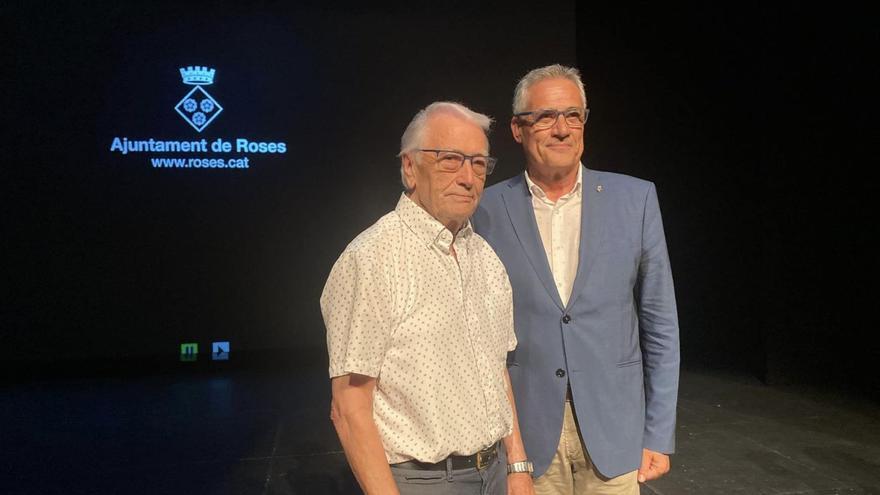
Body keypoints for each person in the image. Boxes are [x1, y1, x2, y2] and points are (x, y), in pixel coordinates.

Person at [472, 64, 680, 494]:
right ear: (517, 129)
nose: (562, 129)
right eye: (546, 116)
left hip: (615, 433)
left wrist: (659, 433)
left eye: (573, 115)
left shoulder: (635, 199)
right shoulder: (486, 209)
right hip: (525, 438)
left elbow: (661, 326)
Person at [321, 101, 536, 495]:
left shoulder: (485, 258)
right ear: (409, 167)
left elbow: (496, 371)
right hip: (423, 481)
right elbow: (349, 408)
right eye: (451, 160)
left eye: (478, 163)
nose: (468, 177)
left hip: (495, 472)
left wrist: (517, 465)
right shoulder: (372, 259)